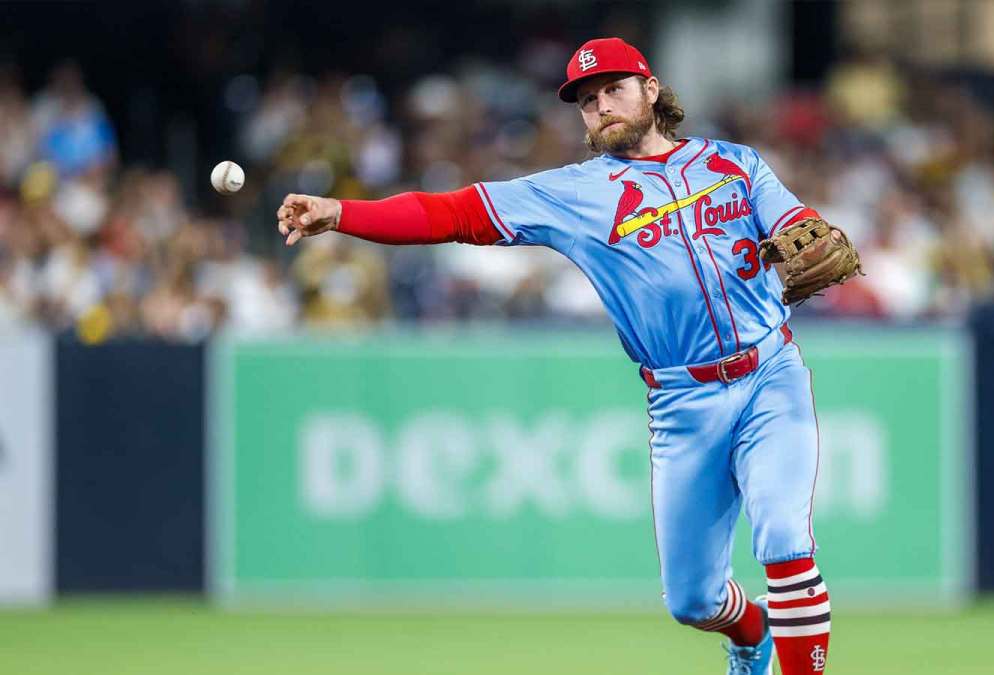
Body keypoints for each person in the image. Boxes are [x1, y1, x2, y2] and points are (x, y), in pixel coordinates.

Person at [276, 37, 831, 675]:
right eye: (587, 100)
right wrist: (341, 211)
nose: (601, 105)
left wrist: (800, 233)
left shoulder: (735, 163)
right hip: (683, 400)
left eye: (614, 89)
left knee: (785, 540)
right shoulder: (573, 194)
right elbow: (451, 212)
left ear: (651, 89)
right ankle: (752, 630)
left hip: (770, 375)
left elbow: (800, 225)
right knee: (692, 599)